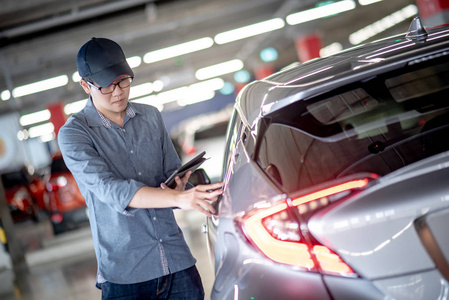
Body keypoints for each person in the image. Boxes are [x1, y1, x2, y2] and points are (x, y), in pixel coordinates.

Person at [58, 37, 223, 300]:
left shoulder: (151, 117)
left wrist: (179, 188)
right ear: (85, 85)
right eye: (106, 86)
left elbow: (170, 173)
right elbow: (111, 190)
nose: (118, 92)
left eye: (123, 81)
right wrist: (177, 197)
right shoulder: (74, 134)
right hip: (126, 276)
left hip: (177, 263)